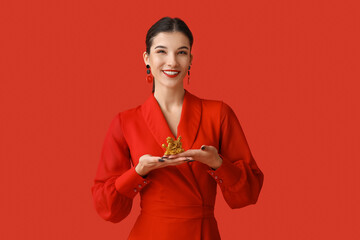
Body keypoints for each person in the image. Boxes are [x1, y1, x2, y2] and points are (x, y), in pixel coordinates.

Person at [91, 16, 264, 240]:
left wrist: (217, 163)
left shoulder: (219, 113)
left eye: (181, 52)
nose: (172, 62)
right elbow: (107, 207)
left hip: (202, 232)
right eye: (161, 51)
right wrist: (138, 172)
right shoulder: (125, 121)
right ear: (147, 58)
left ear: (191, 58)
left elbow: (248, 193)